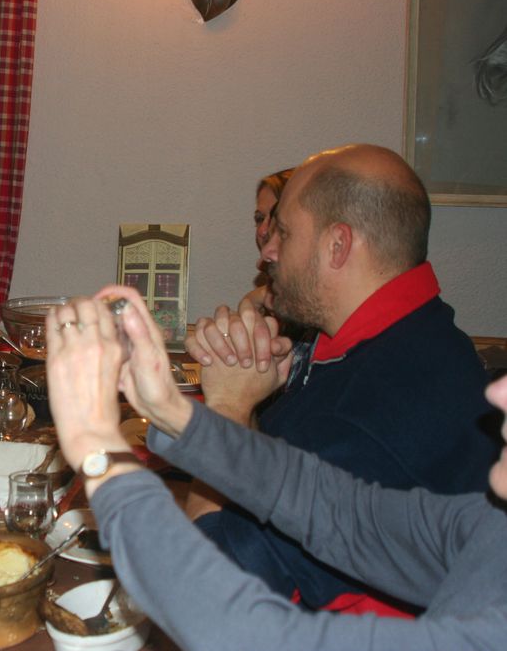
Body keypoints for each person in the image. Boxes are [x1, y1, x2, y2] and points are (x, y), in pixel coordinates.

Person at [44, 286, 507, 651]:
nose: (498, 394)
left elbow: (244, 634)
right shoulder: (492, 529)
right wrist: (170, 409)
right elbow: (337, 509)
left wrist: (96, 444)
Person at [183, 144, 498, 614]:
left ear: (338, 245)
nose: (267, 250)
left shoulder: (378, 415)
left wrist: (226, 410)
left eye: (283, 233)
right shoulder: (402, 335)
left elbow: (201, 593)